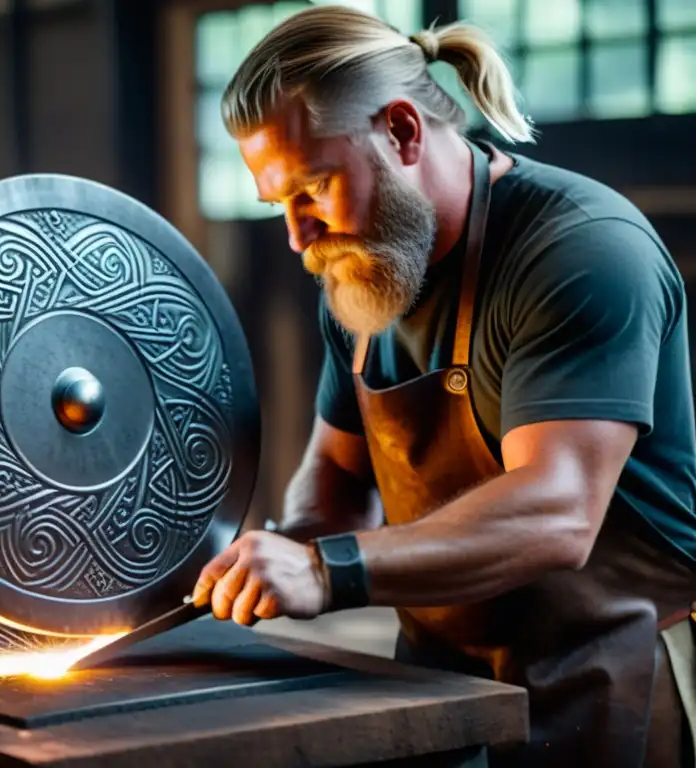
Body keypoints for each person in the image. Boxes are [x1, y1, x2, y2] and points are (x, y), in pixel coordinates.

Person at [190, 6, 696, 767]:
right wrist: (272, 555)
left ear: (401, 131)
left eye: (314, 189)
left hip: (619, 676)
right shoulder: (366, 274)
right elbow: (335, 483)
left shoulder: (583, 250)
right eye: (279, 205)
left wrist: (329, 571)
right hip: (445, 688)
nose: (297, 237)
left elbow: (559, 512)